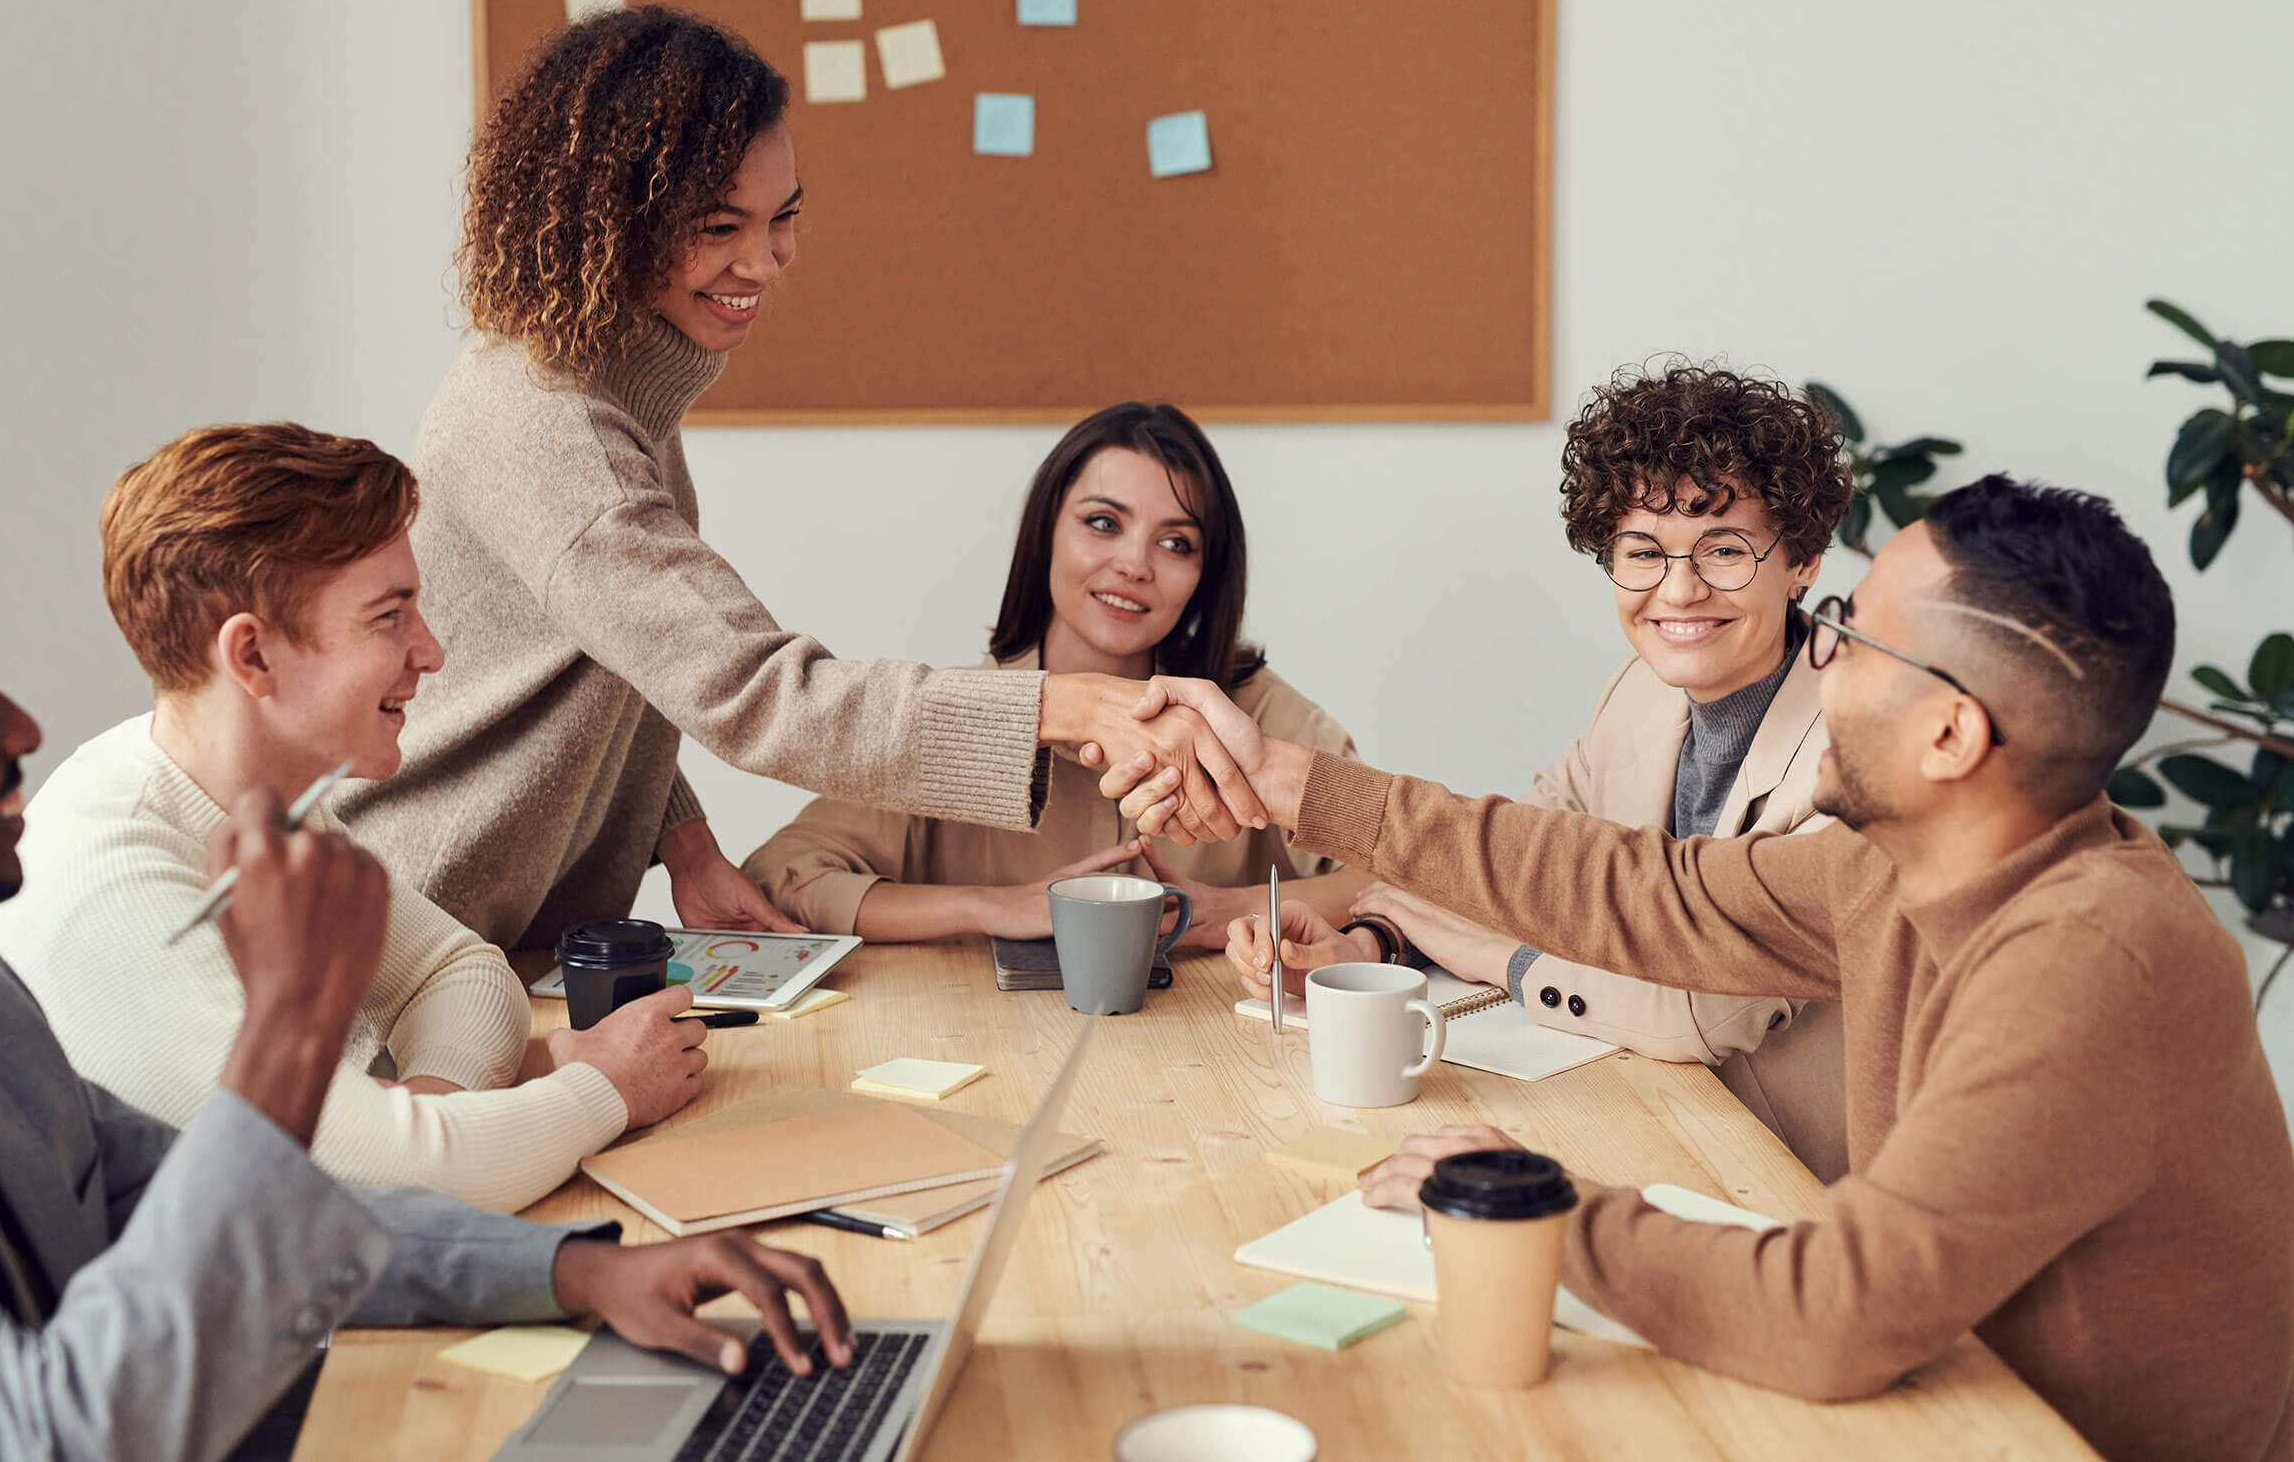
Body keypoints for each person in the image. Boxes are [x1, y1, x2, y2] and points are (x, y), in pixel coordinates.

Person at [1123, 476, 2294, 1462]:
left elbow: (1834, 1311)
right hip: (1951, 1398)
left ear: (1950, 735)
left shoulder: (2092, 958)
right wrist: (1299, 786)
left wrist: (1538, 1207)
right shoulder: (1894, 865)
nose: (1814, 653)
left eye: (1846, 630)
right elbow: (1645, 889)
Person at [0, 486, 854, 1462]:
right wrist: (292, 1029)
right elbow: (48, 1439)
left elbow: (239, 1205)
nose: (23, 728)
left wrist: (575, 1271)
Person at [336, 5, 1264, 949]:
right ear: (611, 223)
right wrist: (1059, 706)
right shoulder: (556, 426)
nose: (765, 260)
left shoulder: (609, 383)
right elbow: (759, 691)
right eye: (718, 226)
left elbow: (620, 659)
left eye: (784, 217)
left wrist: (683, 842)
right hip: (414, 936)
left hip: (503, 939)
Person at [0, 425, 703, 1212]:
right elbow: (381, 1192)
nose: (431, 652)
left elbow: (462, 973)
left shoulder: (255, 798)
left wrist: (426, 1122)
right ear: (251, 657)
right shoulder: (118, 885)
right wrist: (603, 1088)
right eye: (389, 617)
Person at [1228, 364, 1854, 1181]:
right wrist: (1374, 940)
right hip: (1644, 1120)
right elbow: (1513, 865)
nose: (1679, 588)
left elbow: (1701, 1011)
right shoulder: (1638, 693)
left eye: (1724, 549)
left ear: (1801, 558)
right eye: (1643, 552)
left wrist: (1506, 960)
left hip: (1792, 1178)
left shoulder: (1852, 750)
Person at [740, 403, 1371, 946]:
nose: (1134, 563)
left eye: (1176, 543)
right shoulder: (957, 718)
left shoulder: (1260, 717)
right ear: (1046, 534)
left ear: (1206, 577)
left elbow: (1406, 876)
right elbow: (779, 877)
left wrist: (1229, 911)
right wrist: (996, 905)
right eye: (1103, 524)